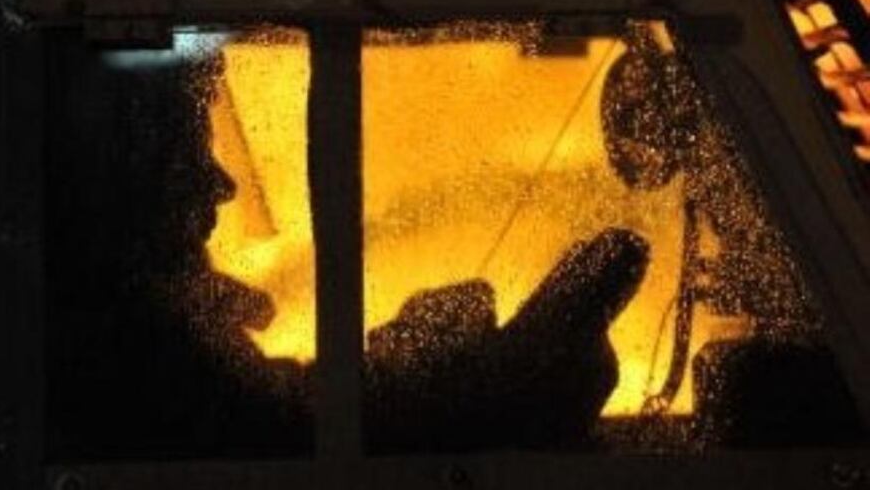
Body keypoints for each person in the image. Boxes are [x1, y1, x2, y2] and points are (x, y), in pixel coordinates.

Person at [46, 39, 652, 457]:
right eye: (184, 149)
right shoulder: (131, 353)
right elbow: (291, 443)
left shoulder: (130, 342)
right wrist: (488, 378)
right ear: (116, 169)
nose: (222, 183)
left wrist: (411, 360)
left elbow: (283, 418)